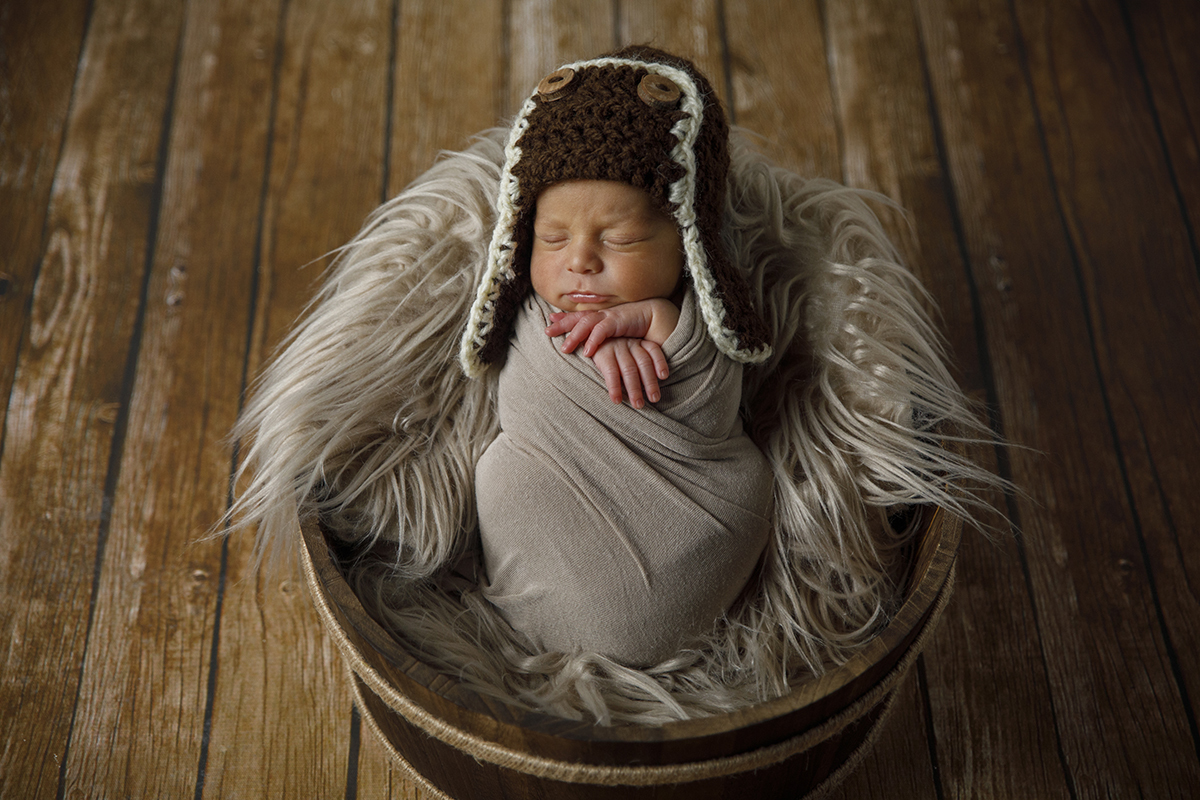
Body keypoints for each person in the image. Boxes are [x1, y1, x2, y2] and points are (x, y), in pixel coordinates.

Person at [459, 46, 776, 667]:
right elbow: (518, 394)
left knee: (752, 488)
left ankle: (652, 624)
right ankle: (560, 616)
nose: (579, 260)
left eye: (621, 238)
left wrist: (664, 326)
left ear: (688, 243)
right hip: (551, 500)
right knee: (502, 476)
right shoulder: (532, 313)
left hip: (695, 519)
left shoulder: (696, 317)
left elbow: (716, 413)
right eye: (552, 237)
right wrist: (584, 349)